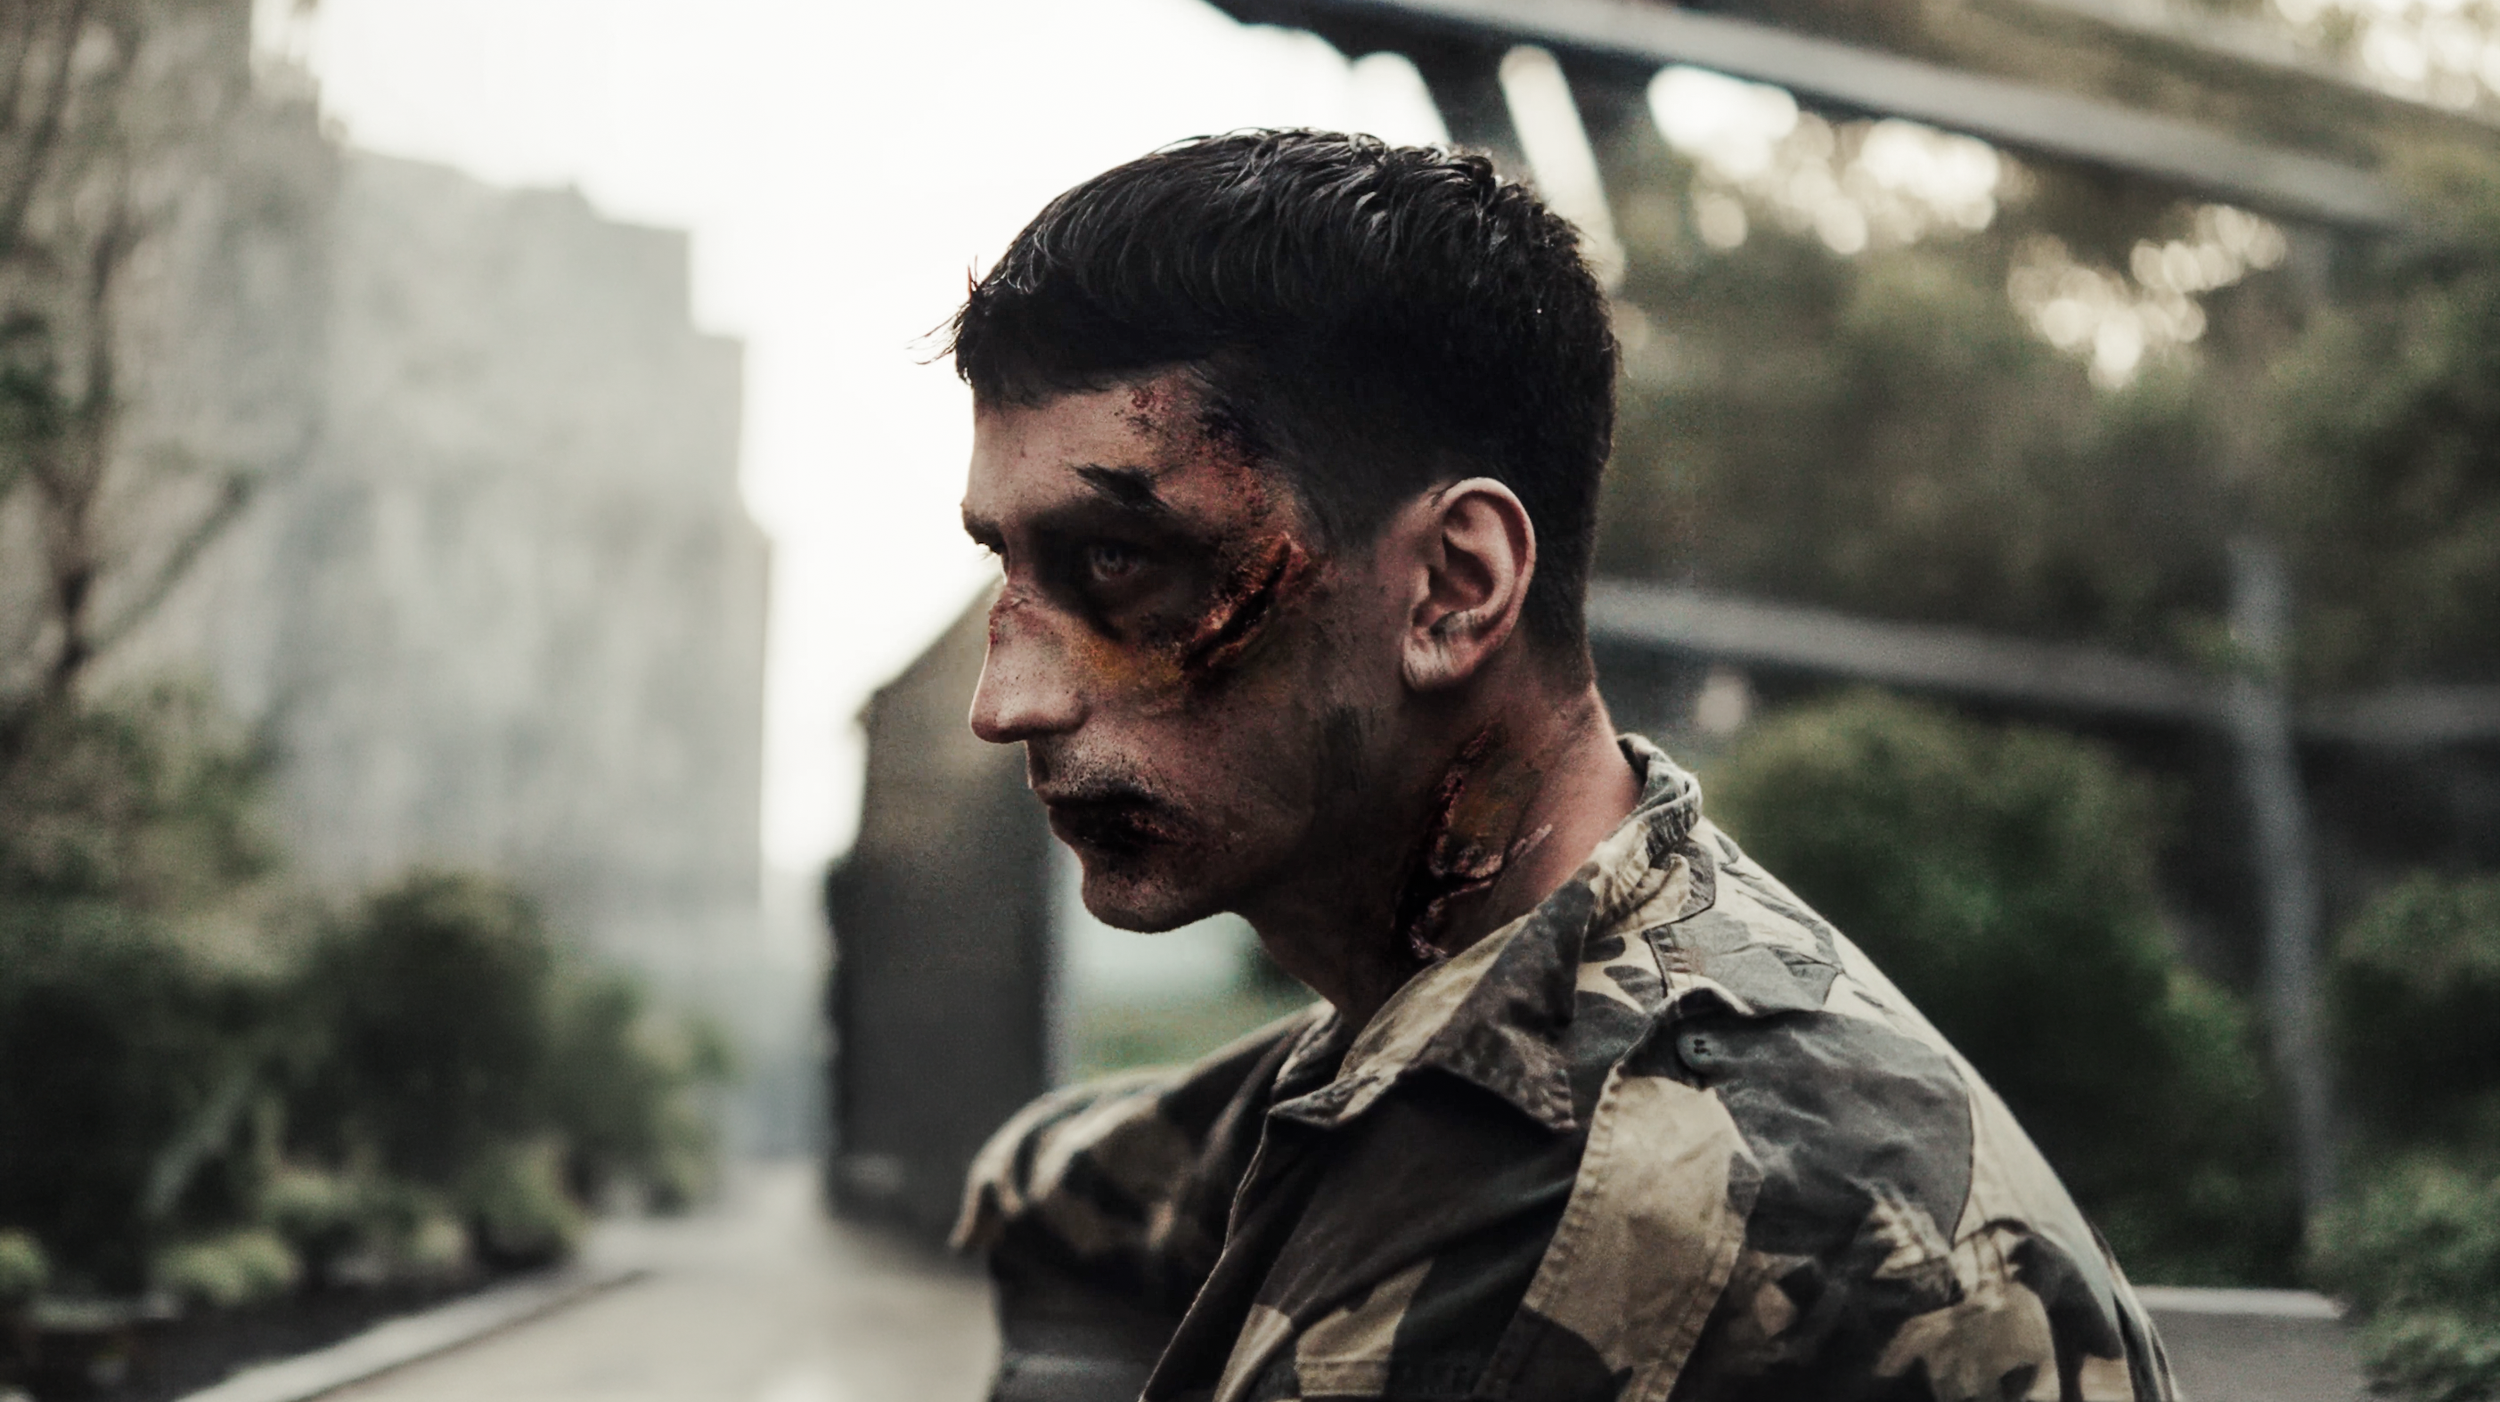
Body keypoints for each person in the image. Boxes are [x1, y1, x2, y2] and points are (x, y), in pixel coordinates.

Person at [947, 130, 2176, 1402]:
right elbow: (1059, 1184)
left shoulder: (1648, 1214)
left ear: (1453, 590)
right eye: (1010, 565)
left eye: (1118, 565)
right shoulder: (1454, 1015)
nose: (1007, 700)